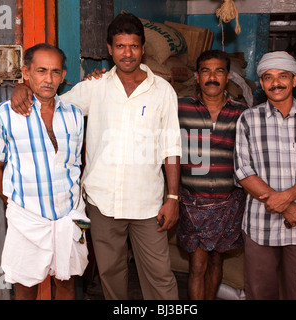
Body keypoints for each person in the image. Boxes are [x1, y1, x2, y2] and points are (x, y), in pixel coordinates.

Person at [10, 12, 181, 300]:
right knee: (110, 275)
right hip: (102, 203)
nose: (127, 54)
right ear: (109, 49)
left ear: (143, 48)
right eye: (121, 46)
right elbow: (50, 103)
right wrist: (22, 86)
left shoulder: (162, 91)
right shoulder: (94, 87)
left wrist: (173, 198)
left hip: (148, 204)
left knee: (160, 277)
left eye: (134, 46)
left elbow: (171, 147)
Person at [0, 43, 89, 300]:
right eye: (41, 71)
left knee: (66, 282)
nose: (48, 79)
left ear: (63, 77)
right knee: (25, 287)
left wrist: (74, 206)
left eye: (55, 72)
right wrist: (12, 201)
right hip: (27, 217)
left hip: (68, 214)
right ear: (26, 73)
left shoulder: (74, 115)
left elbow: (74, 163)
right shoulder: (3, 115)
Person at [233, 51, 296, 299]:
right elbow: (243, 171)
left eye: (282, 76)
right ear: (261, 83)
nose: (275, 83)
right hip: (260, 225)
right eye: (268, 77)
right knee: (261, 293)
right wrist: (286, 206)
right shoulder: (248, 119)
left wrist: (288, 197)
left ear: (295, 80)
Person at [177, 50, 246, 299]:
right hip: (193, 203)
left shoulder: (241, 113)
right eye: (206, 71)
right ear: (197, 77)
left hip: (229, 203)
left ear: (227, 77)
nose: (212, 77)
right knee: (197, 266)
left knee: (217, 263)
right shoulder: (181, 107)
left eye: (219, 71)